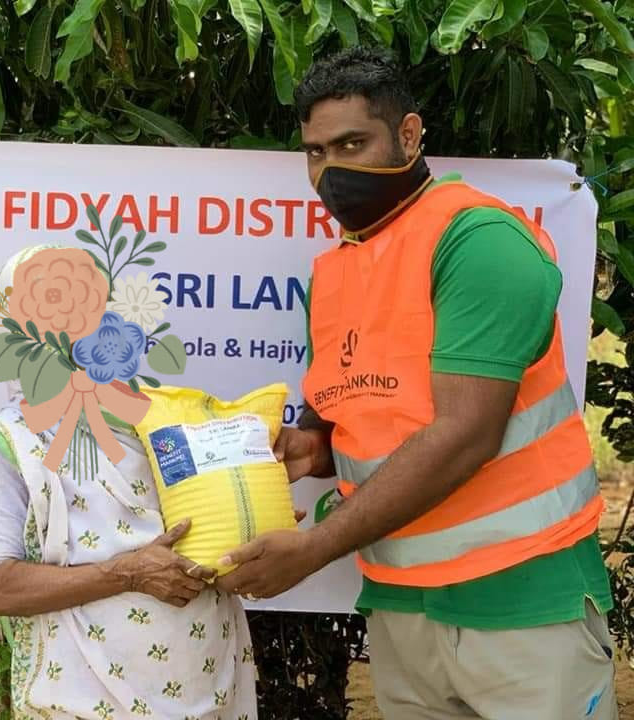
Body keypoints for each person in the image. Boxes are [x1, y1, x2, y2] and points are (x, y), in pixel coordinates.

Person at [216, 47, 618, 720]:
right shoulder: (334, 273)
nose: (331, 170)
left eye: (352, 144)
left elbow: (464, 434)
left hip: (523, 599)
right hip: (402, 605)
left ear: (408, 135)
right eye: (315, 153)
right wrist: (312, 449)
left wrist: (312, 549)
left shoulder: (478, 240)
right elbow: (364, 416)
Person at [0, 246, 258, 720]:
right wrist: (127, 573)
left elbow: (206, 529)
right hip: (83, 699)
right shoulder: (10, 441)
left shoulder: (162, 414)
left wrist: (250, 521)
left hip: (211, 684)